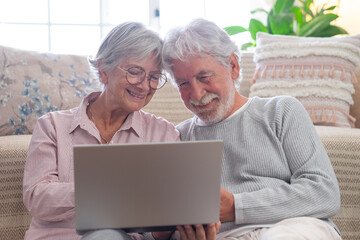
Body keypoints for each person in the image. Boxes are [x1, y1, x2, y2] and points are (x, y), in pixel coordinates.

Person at [161, 18, 342, 240]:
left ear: (233, 66)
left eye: (204, 77)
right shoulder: (177, 137)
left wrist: (237, 207)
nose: (196, 94)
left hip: (291, 227)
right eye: (183, 84)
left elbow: (324, 194)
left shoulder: (280, 111)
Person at [23, 22, 182, 240]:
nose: (145, 86)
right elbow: (36, 198)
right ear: (103, 71)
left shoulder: (164, 134)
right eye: (135, 72)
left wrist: (169, 223)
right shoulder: (52, 126)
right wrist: (103, 190)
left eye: (154, 77)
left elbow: (159, 230)